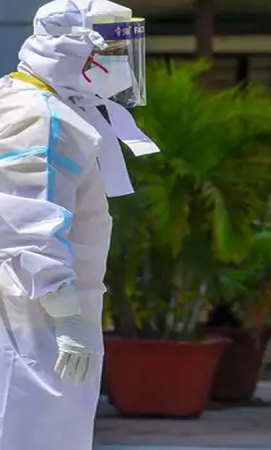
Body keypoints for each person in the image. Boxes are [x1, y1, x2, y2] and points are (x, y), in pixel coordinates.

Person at [0, 1, 159, 448]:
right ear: (78, 49)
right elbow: (26, 224)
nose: (123, 64)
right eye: (114, 50)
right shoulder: (42, 117)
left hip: (40, 309)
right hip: (34, 316)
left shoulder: (31, 103)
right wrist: (67, 314)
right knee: (31, 430)